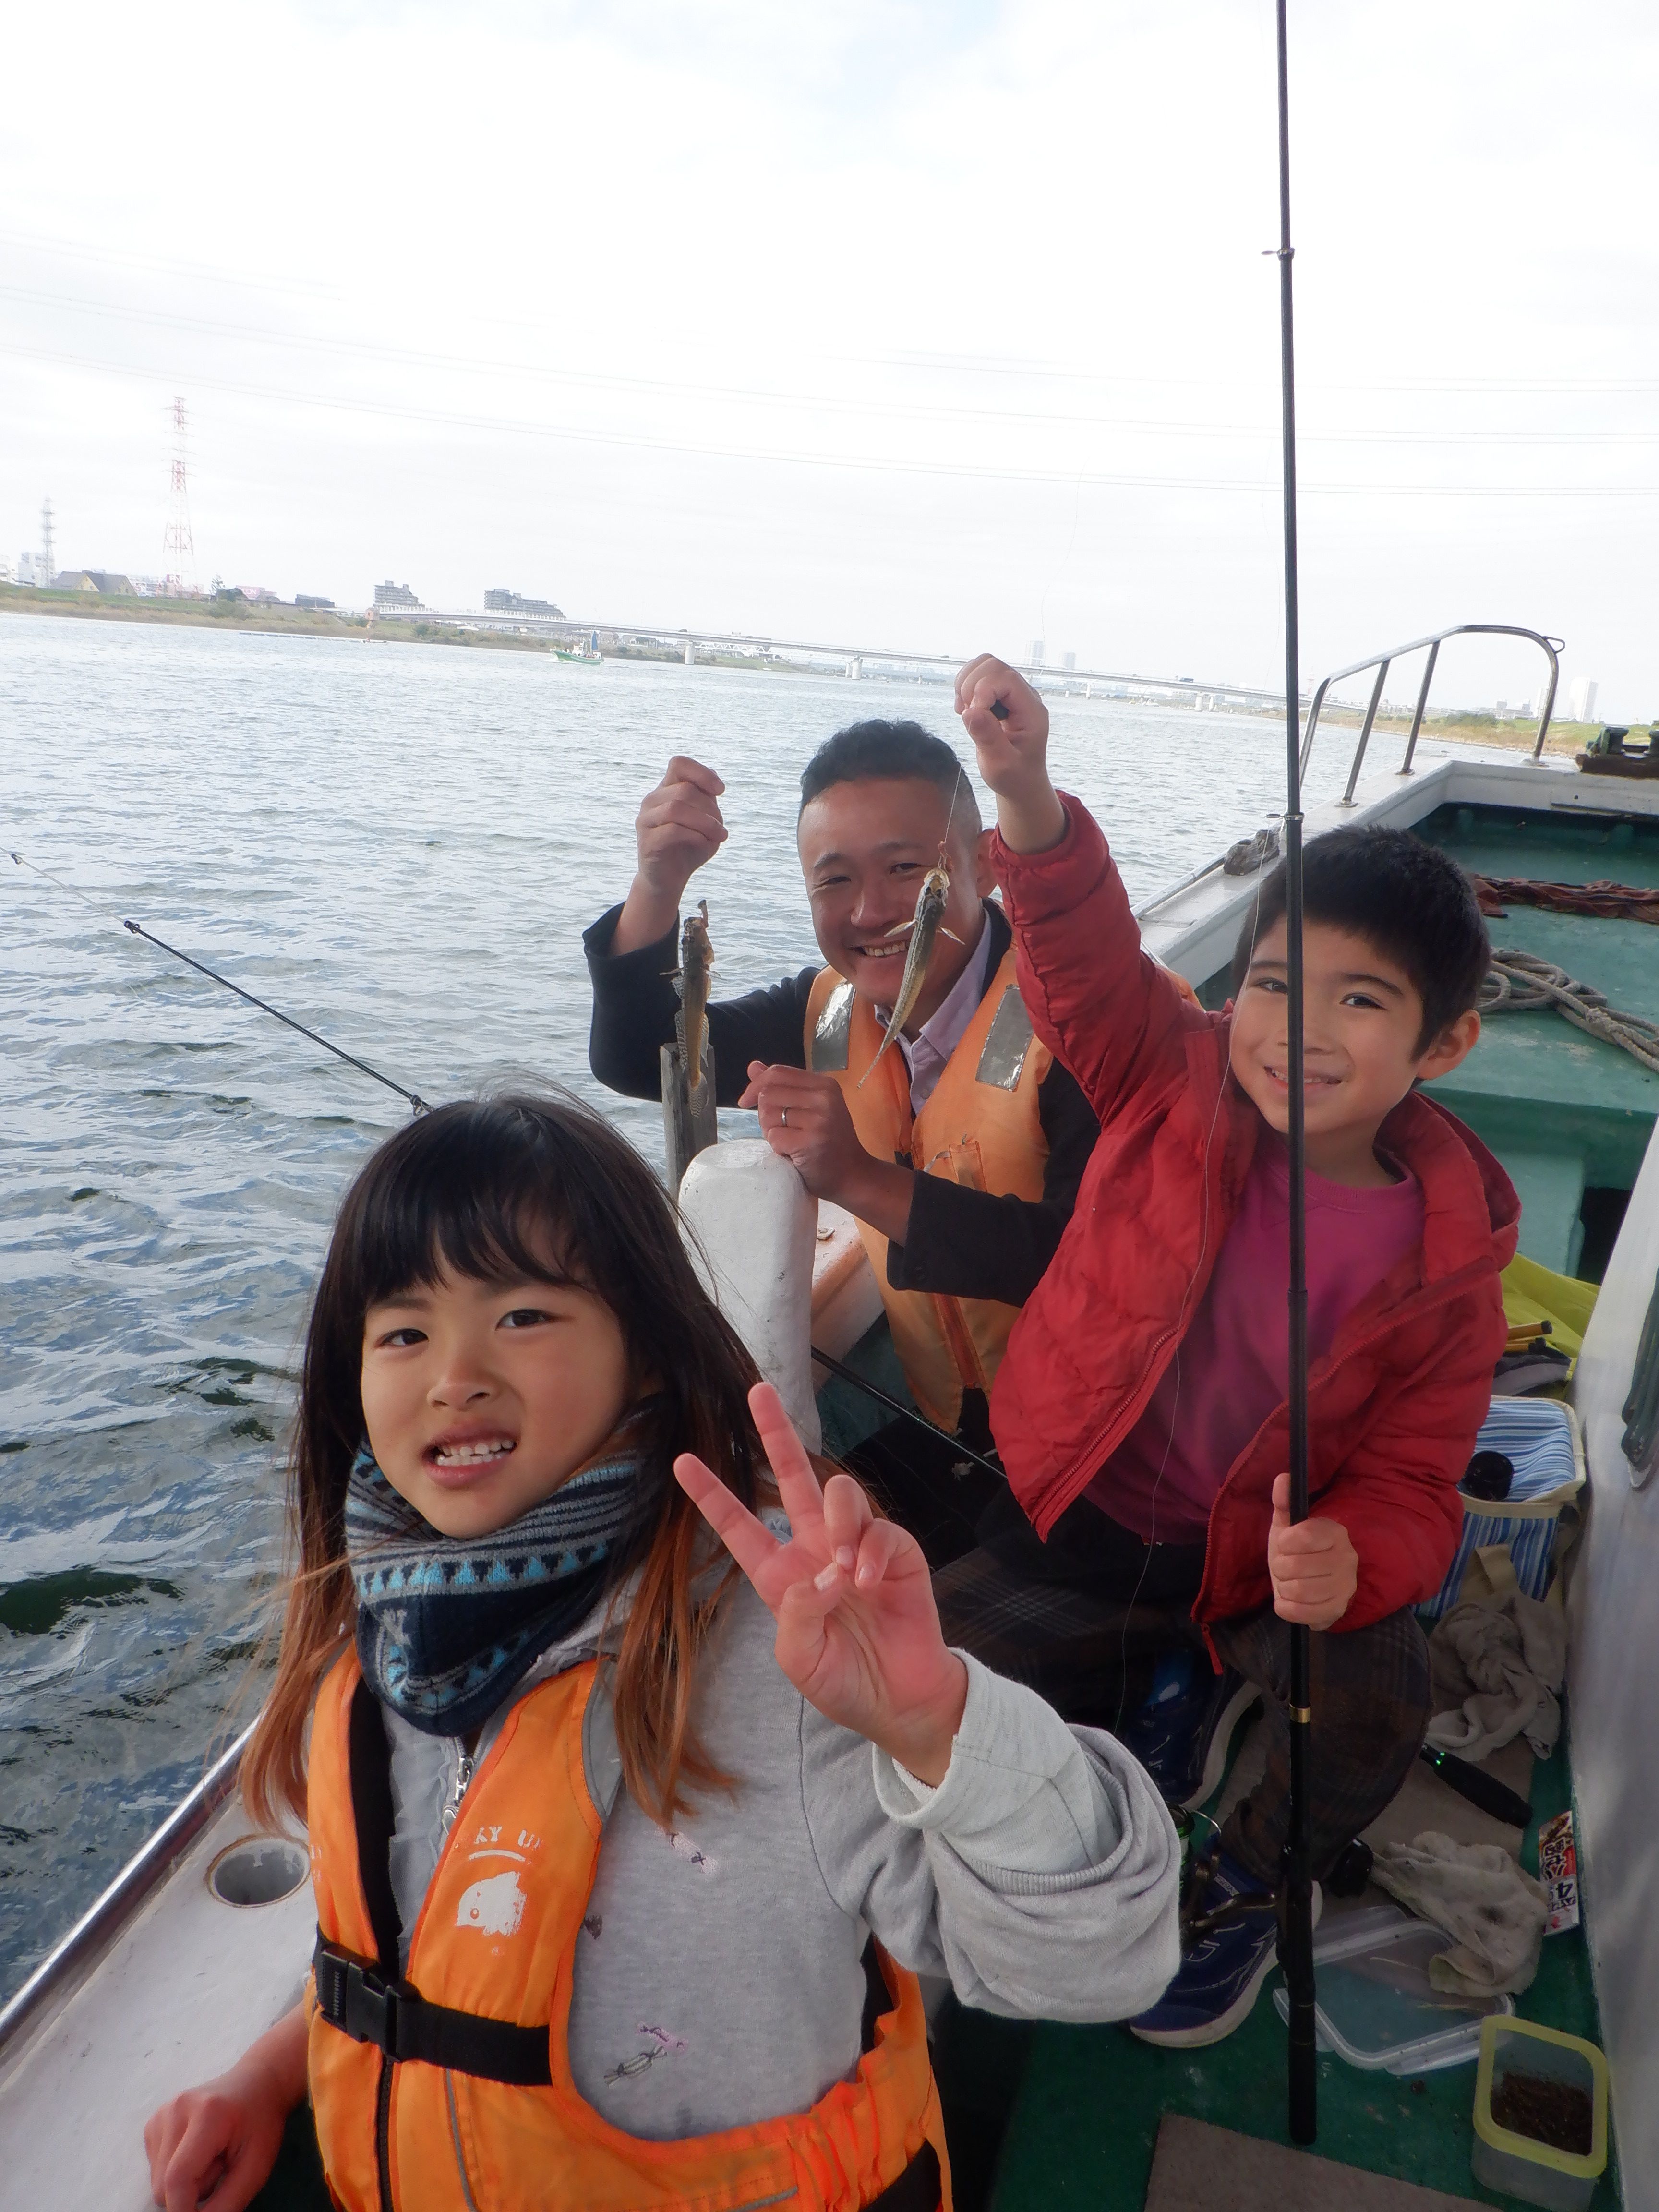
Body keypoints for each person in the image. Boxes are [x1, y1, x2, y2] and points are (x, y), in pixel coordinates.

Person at [143, 1094, 1180, 2212]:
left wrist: (941, 1727)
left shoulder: (784, 1672)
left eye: (522, 1315)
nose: (454, 1375)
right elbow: (421, 1935)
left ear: (644, 1354)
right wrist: (269, 2078)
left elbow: (1103, 1960)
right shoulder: (373, 1641)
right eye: (403, 1332)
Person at [938, 656, 1517, 2050]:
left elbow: (1418, 1481)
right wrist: (1023, 794)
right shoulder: (1171, 1071)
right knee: (926, 1682)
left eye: (1360, 1002)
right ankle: (1167, 1692)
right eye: (1271, 983)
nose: (1297, 1030)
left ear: (1445, 1042)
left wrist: (1353, 1561)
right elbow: (1081, 966)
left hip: (1250, 1575)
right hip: (1074, 1523)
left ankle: (1249, 1876)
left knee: (1380, 1703)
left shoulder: (1452, 1269)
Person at [584, 720, 1100, 1563]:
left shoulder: (1080, 1020)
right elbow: (645, 1056)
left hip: (1107, 1452)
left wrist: (857, 1178)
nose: (869, 911)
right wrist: (658, 882)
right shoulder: (828, 1011)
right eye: (834, 881)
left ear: (985, 864)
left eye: (906, 870)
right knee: (749, 1549)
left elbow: (1093, 1266)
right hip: (960, 1435)